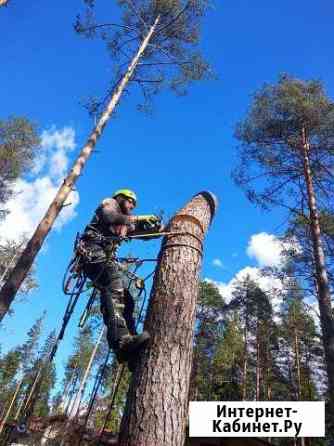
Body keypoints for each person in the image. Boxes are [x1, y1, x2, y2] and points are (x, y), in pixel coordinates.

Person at [80, 189, 161, 370]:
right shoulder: (110, 203)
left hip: (102, 258)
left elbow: (141, 233)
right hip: (91, 251)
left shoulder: (124, 221)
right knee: (114, 282)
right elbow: (110, 217)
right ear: (120, 198)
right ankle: (121, 342)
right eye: (130, 201)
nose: (131, 206)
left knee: (127, 299)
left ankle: (132, 347)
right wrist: (139, 218)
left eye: (134, 204)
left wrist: (159, 230)